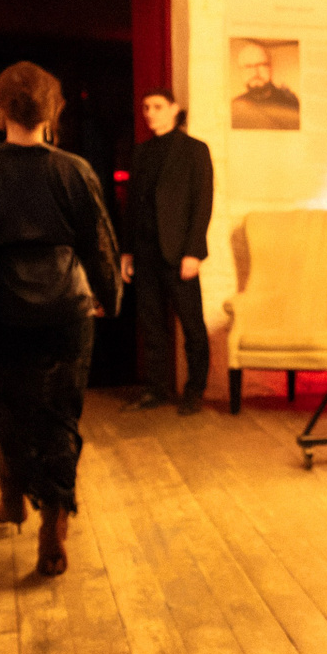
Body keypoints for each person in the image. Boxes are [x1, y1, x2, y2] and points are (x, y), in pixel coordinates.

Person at [0, 62, 121, 578]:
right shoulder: (75, 169)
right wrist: (107, 295)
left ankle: (12, 498)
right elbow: (99, 241)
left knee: (10, 408)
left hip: (2, 309)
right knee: (62, 414)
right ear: (52, 114)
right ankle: (54, 519)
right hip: (67, 307)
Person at [122, 89, 214, 414]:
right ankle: (156, 389)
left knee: (192, 325)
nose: (150, 112)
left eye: (157, 106)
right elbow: (133, 205)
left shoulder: (194, 150)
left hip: (179, 253)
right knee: (152, 325)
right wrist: (127, 252)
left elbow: (202, 204)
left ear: (174, 109)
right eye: (146, 107)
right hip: (145, 251)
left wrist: (194, 252)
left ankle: (195, 390)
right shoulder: (141, 152)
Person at [230, 41, 301, 129]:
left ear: (271, 68)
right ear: (241, 71)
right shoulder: (233, 108)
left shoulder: (291, 104)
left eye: (262, 65)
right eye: (248, 67)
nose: (255, 73)